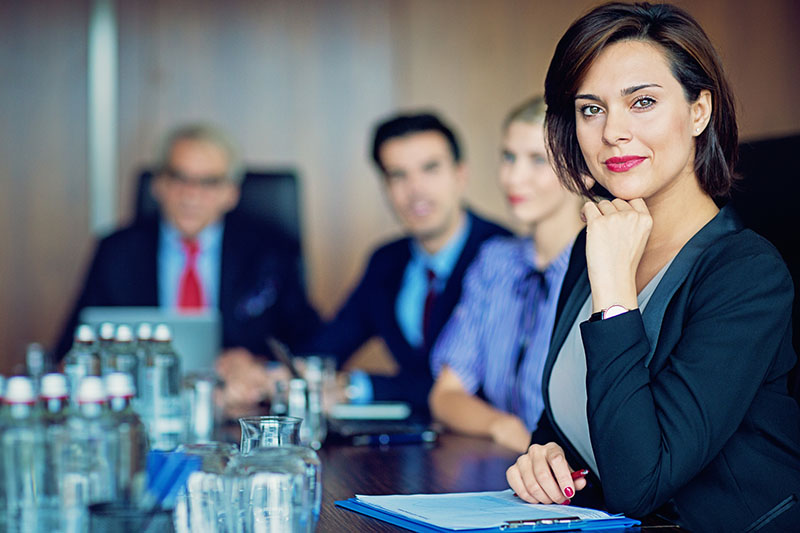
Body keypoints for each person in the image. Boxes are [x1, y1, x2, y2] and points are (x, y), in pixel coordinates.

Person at [505, 3, 800, 531]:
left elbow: (642, 481)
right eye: (590, 109)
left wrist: (616, 289)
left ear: (698, 111)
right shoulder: (595, 244)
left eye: (642, 102)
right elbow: (565, 416)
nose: (613, 131)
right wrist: (542, 457)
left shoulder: (747, 273)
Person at [54, 124, 320, 382]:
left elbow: (311, 345)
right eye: (178, 178)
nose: (191, 195)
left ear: (231, 193)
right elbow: (70, 351)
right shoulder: (116, 251)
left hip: (238, 411)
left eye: (209, 182)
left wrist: (258, 365)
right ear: (158, 185)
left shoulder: (270, 252)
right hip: (141, 405)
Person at [307, 112, 511, 413]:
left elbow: (480, 386)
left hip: (486, 447)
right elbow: (331, 345)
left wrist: (361, 387)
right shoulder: (387, 261)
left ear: (460, 175)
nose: (415, 189)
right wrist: (273, 372)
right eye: (398, 175)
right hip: (407, 446)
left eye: (430, 169)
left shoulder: (503, 257)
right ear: (385, 186)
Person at [428, 97, 583, 452]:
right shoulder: (495, 261)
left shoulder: (604, 267)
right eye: (509, 157)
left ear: (580, 168)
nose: (513, 178)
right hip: (509, 471)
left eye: (537, 160)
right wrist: (504, 427)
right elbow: (446, 394)